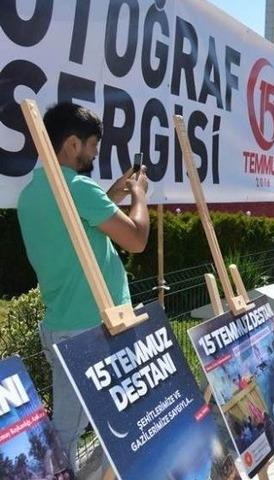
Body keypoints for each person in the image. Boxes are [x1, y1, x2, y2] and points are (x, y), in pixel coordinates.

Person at [17, 102, 150, 474]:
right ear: (72, 143)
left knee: (84, 428)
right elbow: (137, 239)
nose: (94, 154)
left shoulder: (32, 193)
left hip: (63, 326)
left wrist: (113, 194)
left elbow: (77, 224)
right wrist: (139, 194)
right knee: (73, 435)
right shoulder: (79, 189)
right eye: (92, 145)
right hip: (92, 331)